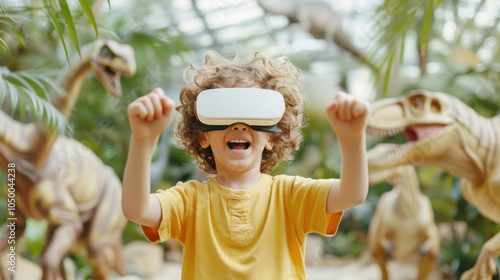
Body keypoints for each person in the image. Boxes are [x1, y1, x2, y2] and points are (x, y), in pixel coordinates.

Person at [122, 50, 370, 279]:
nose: (239, 124)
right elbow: (137, 209)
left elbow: (352, 194)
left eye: (254, 114)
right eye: (223, 112)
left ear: (272, 136)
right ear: (203, 135)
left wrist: (352, 140)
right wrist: (143, 142)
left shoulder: (289, 196)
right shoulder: (190, 201)